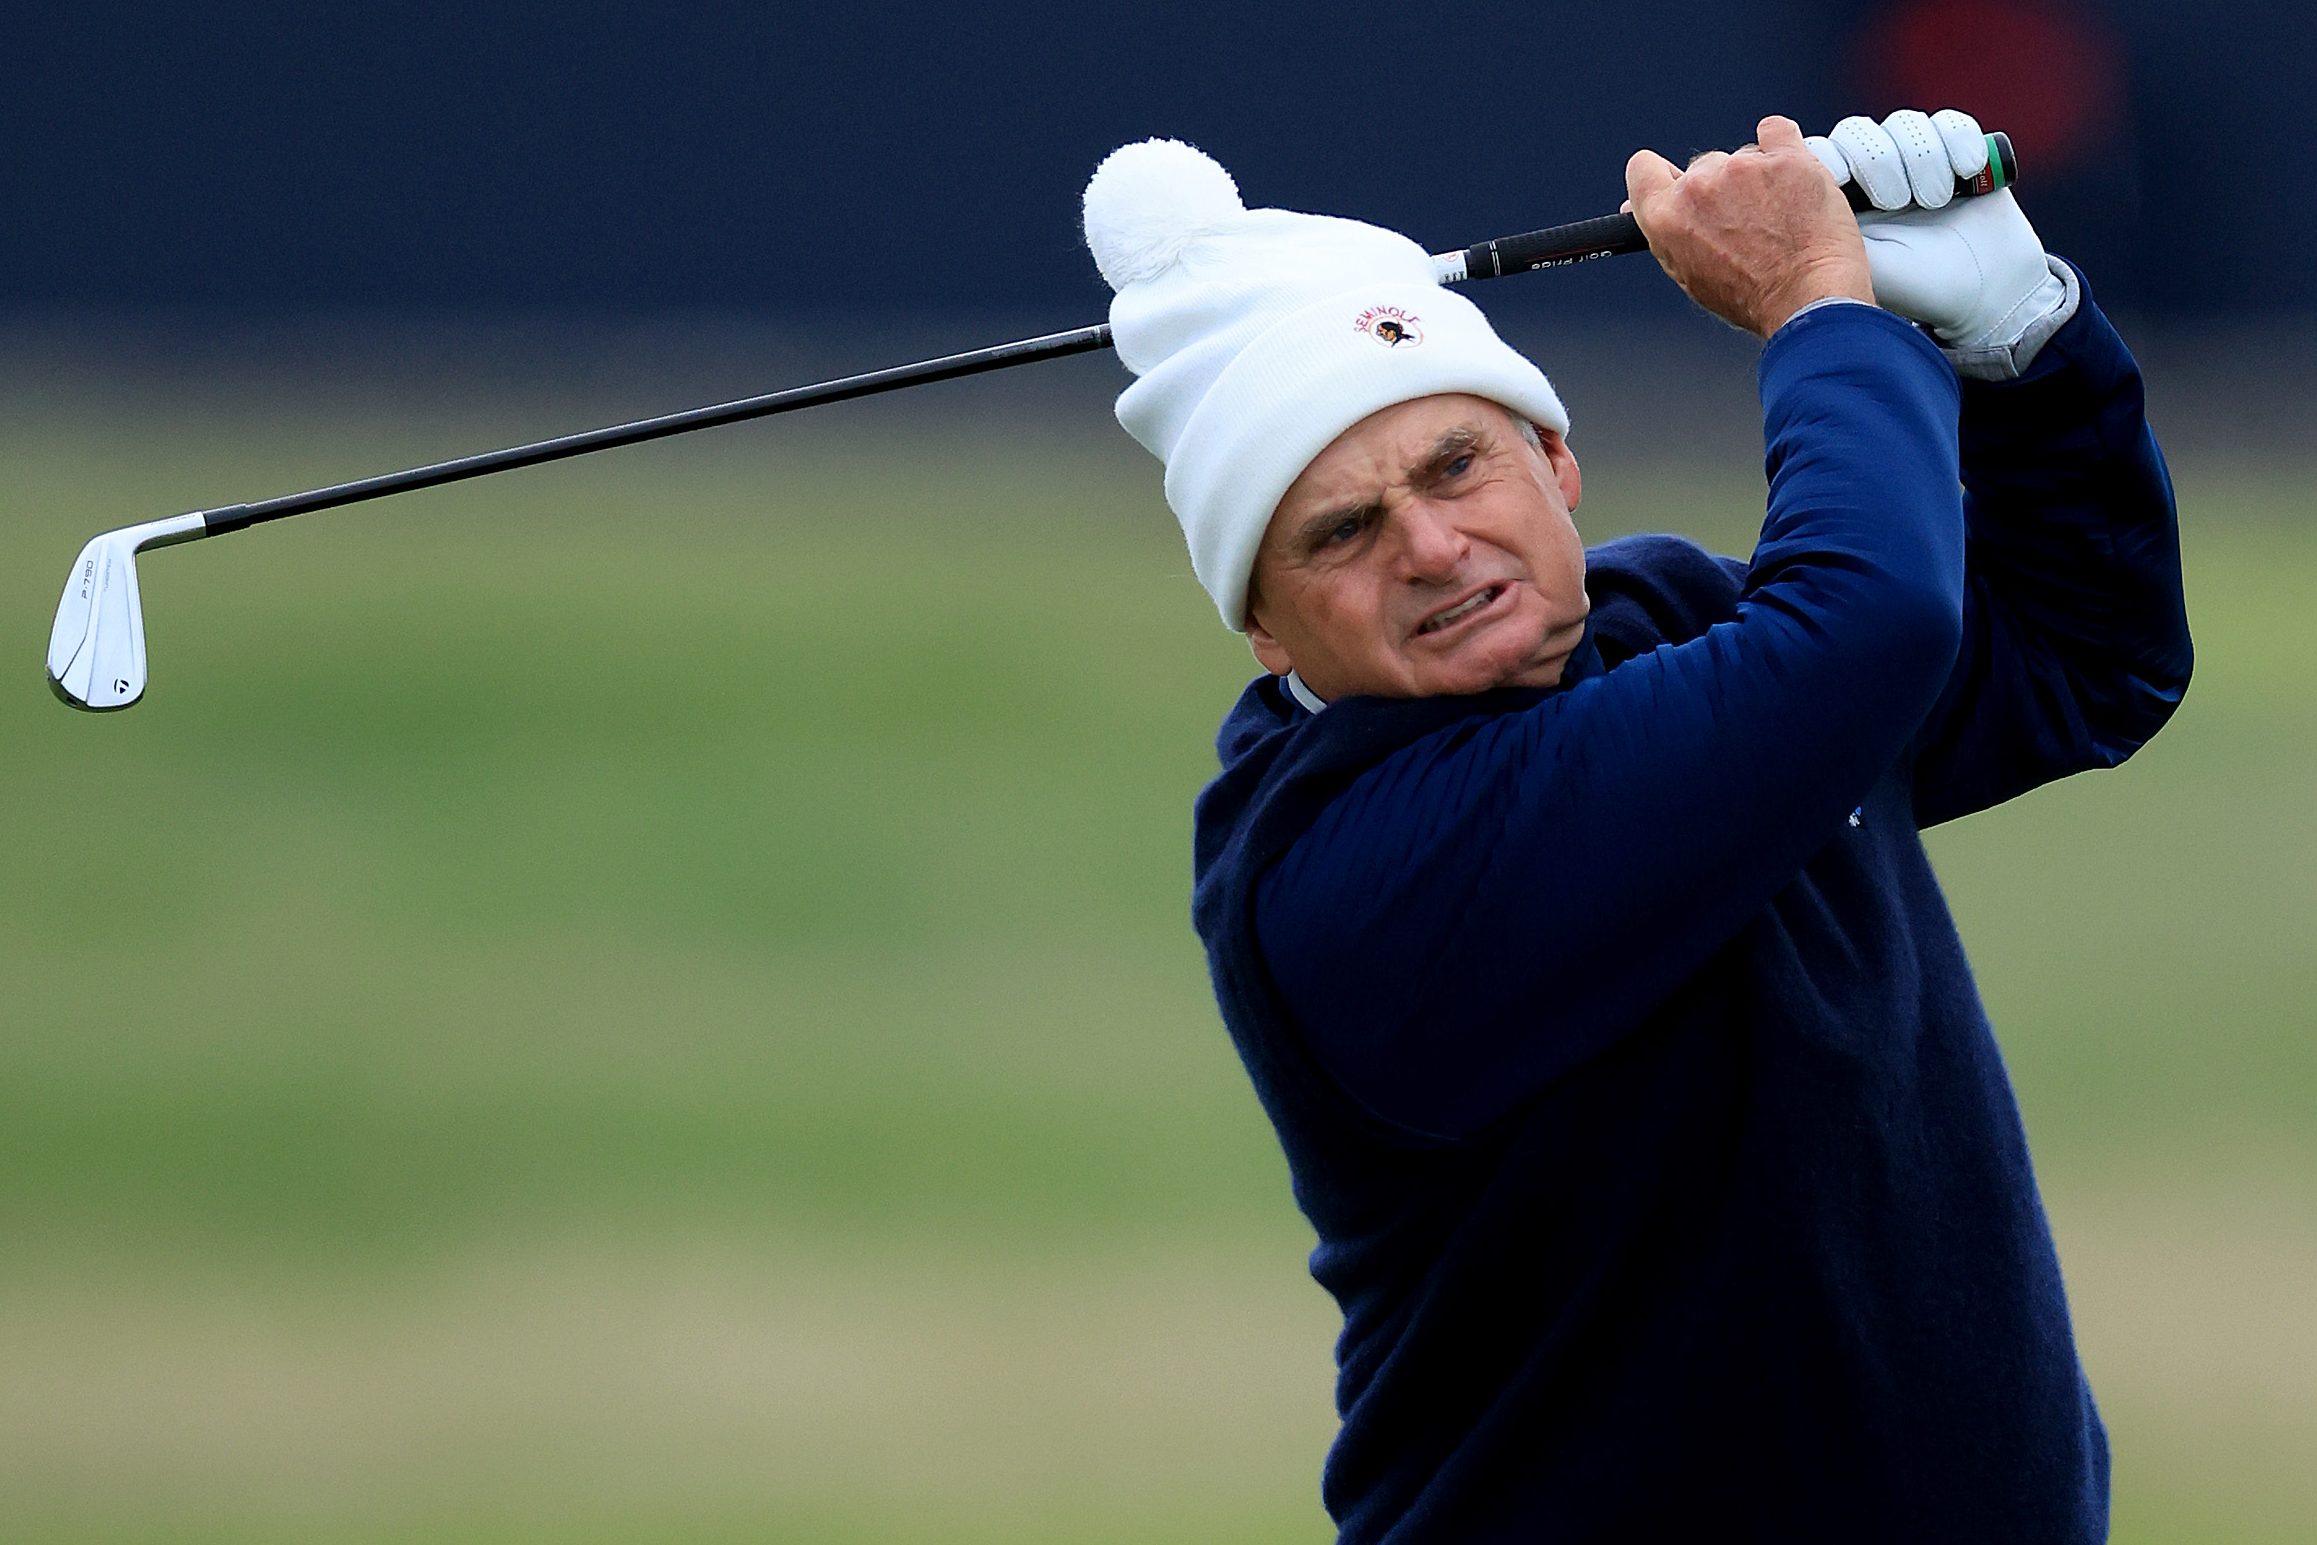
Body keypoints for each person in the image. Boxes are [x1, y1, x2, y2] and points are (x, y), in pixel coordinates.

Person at [1082, 108, 2191, 1543]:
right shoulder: (1349, 871)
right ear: (1262, 629)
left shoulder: (1664, 620)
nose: (1427, 545)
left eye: (1454, 466)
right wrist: (1819, 309)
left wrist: (2021, 340)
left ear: (1556, 462)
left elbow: (2081, 658)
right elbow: (1867, 618)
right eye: (1336, 533)